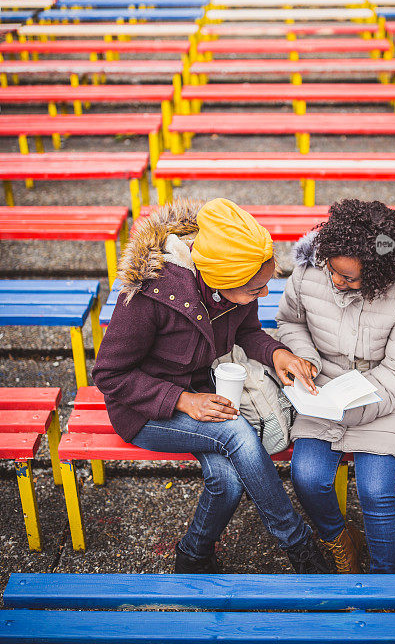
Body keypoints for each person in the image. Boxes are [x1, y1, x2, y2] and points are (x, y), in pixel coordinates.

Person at [92, 197, 327, 574]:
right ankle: (298, 544)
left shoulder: (233, 280)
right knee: (236, 431)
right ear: (222, 280)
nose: (264, 295)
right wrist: (182, 400)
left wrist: (278, 355)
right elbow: (109, 375)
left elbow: (247, 332)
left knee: (228, 480)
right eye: (256, 289)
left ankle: (193, 555)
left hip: (205, 395)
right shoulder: (150, 295)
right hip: (145, 411)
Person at [275, 198, 395, 574]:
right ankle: (339, 539)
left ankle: (387, 578)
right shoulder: (308, 273)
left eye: (350, 278)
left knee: (376, 492)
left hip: (385, 400)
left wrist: (352, 406)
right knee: (308, 478)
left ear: (380, 272)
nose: (337, 281)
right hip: (321, 389)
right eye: (334, 271)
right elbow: (290, 323)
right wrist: (306, 359)